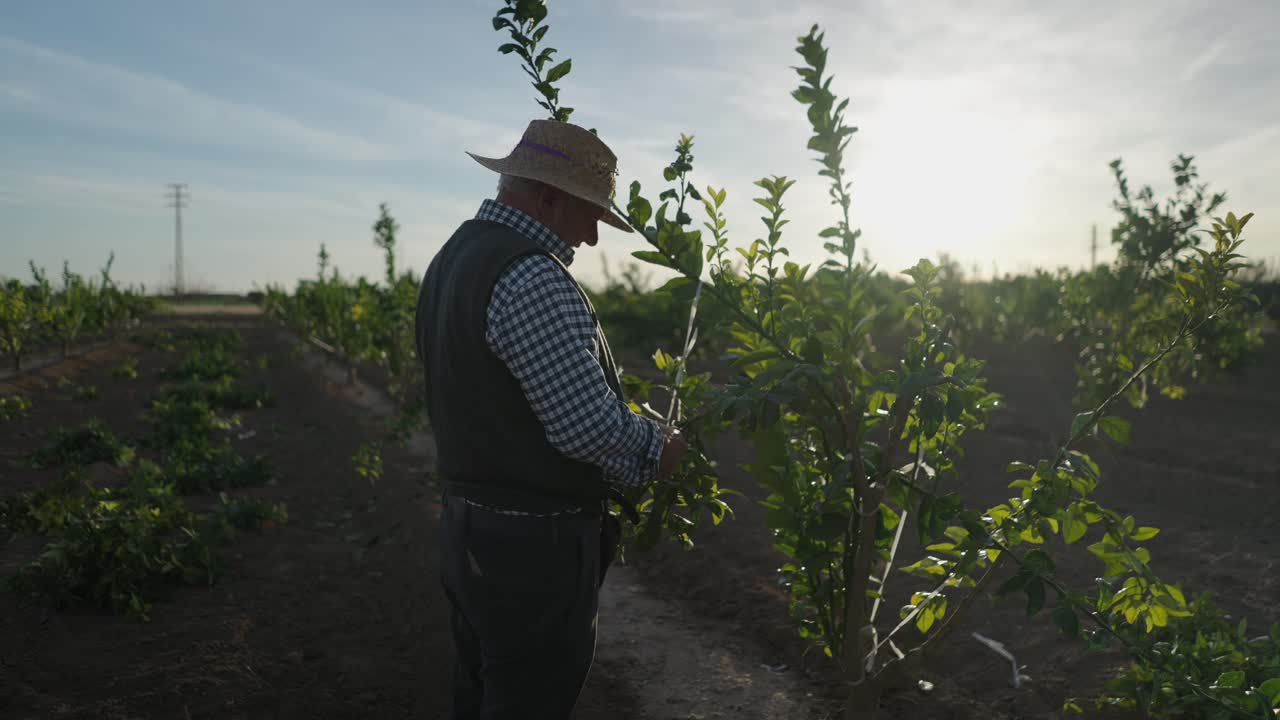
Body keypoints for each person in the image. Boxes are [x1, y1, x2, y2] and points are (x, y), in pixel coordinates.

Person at [415, 119, 689, 719]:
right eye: (589, 213)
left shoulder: (452, 261)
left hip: (470, 529)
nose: (592, 237)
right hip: (530, 546)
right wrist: (658, 447)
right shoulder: (532, 276)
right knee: (529, 699)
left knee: (484, 690)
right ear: (546, 198)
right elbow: (584, 426)